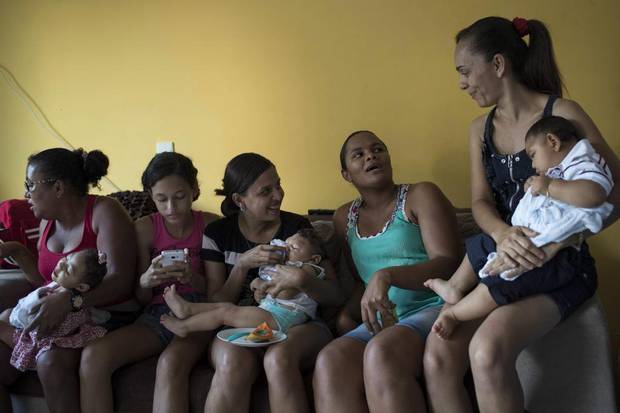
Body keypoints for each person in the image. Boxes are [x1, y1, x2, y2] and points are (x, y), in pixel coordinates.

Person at [423, 16, 620, 413]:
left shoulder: (562, 114)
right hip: (505, 254)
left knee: (486, 350)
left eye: (465, 71)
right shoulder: (479, 129)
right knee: (437, 354)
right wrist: (502, 235)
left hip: (559, 263)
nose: (461, 82)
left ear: (498, 65)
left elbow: (613, 193)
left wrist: (556, 243)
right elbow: (480, 202)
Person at [312, 130, 462, 413]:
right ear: (347, 174)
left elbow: (448, 262)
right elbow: (361, 281)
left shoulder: (421, 194)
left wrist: (387, 275)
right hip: (384, 321)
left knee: (381, 352)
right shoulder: (344, 217)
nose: (371, 155)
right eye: (359, 154)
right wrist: (347, 314)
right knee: (330, 361)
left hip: (434, 308)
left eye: (378, 149)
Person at [425, 116, 613, 339]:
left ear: (553, 142)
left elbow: (595, 195)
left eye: (533, 155)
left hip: (556, 256)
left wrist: (549, 186)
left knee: (502, 281)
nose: (533, 165)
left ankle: (456, 315)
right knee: (482, 242)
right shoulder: (558, 170)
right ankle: (454, 286)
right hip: (527, 237)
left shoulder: (584, 163)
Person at [201, 152, 343, 413]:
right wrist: (242, 265)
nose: (278, 195)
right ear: (239, 200)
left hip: (302, 322)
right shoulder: (217, 234)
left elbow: (335, 294)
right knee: (232, 361)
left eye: (278, 184)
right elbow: (215, 303)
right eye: (266, 191)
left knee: (279, 358)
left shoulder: (297, 230)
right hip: (248, 322)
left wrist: (302, 280)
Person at [0, 147, 136, 413]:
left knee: (50, 363)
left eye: (30, 184)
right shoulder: (47, 223)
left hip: (107, 315)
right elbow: (47, 282)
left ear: (58, 187)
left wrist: (69, 300)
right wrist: (16, 250)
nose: (27, 194)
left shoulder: (104, 212)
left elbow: (120, 280)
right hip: (60, 315)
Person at [79, 152, 218, 413]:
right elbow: (142, 299)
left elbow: (215, 292)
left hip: (199, 314)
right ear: (150, 196)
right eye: (161, 199)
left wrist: (192, 278)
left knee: (171, 362)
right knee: (94, 356)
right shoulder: (144, 228)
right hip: (157, 314)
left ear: (194, 190)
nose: (171, 208)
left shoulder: (210, 225)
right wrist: (146, 280)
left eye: (180, 197)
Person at [160, 228, 327, 336]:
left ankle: (185, 327)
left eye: (295, 248)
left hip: (282, 320)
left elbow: (287, 292)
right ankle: (187, 309)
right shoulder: (285, 265)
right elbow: (271, 295)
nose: (287, 249)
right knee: (225, 308)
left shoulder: (309, 268)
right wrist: (260, 292)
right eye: (287, 244)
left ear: (315, 258)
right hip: (272, 313)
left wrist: (261, 285)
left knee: (226, 313)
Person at [0, 249, 107, 371]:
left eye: (68, 269)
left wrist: (15, 317)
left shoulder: (52, 297)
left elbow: (26, 318)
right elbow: (96, 314)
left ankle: (24, 355)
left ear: (81, 287)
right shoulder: (76, 298)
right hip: (58, 336)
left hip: (39, 342)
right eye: (66, 258)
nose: (61, 263)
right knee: (6, 314)